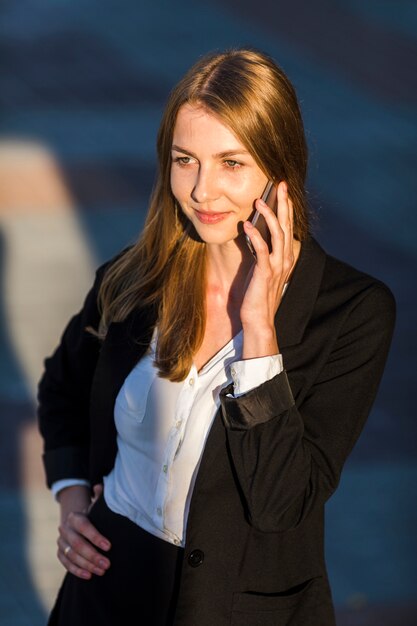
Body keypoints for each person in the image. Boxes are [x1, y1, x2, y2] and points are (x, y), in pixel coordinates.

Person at [37, 48, 395, 626]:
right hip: (104, 593)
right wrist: (72, 495)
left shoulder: (352, 313)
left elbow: (282, 504)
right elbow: (62, 386)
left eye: (232, 163)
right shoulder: (133, 279)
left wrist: (259, 335)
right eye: (186, 160)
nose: (202, 191)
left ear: (281, 169)